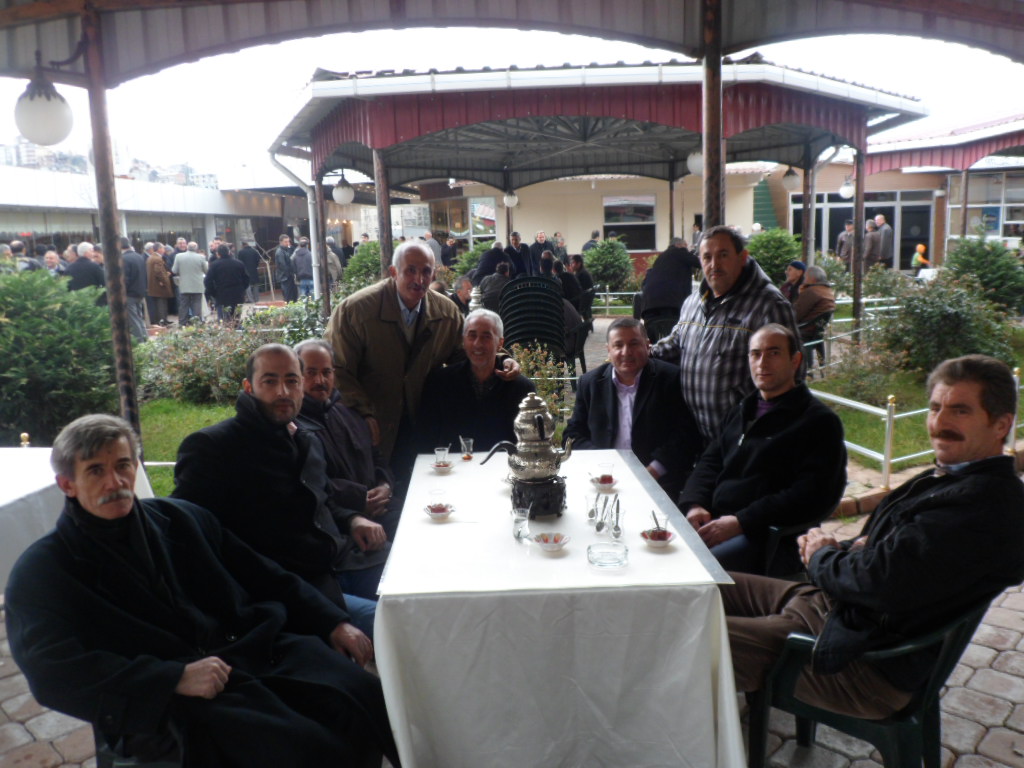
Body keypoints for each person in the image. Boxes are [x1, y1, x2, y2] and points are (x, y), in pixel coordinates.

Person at [5, 414, 399, 767]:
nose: (115, 482)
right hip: (173, 697)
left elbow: (265, 575)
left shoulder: (181, 519)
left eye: (123, 465)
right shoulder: (43, 572)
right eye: (95, 471)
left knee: (364, 695)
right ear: (67, 484)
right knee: (300, 747)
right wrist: (170, 678)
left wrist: (331, 622)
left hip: (253, 648)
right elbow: (52, 671)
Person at [724, 354, 1024, 719]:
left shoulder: (983, 506)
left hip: (862, 665)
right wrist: (845, 550)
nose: (939, 423)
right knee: (704, 588)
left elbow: (877, 581)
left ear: (1001, 425)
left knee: (692, 636)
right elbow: (885, 562)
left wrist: (821, 557)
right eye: (934, 408)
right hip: (840, 613)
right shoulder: (955, 477)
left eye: (960, 411)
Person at [173, 344, 381, 632]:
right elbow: (198, 538)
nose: (283, 391)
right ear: (249, 387)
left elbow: (320, 499)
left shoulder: (304, 439)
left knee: (420, 585)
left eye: (291, 381)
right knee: (398, 619)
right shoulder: (213, 447)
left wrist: (353, 519)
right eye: (270, 381)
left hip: (341, 562)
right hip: (288, 591)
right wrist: (324, 618)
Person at [680, 324, 846, 573]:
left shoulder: (818, 422)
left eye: (774, 353)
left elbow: (813, 494)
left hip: (767, 537)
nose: (762, 363)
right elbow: (710, 461)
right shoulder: (741, 411)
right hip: (715, 519)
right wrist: (695, 503)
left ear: (795, 361)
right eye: (755, 354)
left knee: (690, 570)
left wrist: (741, 522)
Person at [651, 225, 800, 446]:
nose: (714, 264)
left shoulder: (769, 305)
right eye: (707, 257)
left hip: (746, 441)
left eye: (723, 255)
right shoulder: (693, 302)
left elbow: (793, 374)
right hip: (699, 439)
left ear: (742, 257)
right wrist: (641, 352)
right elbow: (677, 342)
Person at [295, 339, 396, 583]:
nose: (320, 380)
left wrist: (385, 486)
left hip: (382, 509)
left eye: (326, 372)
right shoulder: (294, 427)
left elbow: (376, 458)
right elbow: (313, 487)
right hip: (343, 527)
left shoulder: (348, 412)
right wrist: (359, 501)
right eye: (311, 373)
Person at [564, 317, 699, 500]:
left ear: (647, 345)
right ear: (609, 350)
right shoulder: (590, 383)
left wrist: (653, 471)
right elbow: (572, 434)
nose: (626, 352)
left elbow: (685, 435)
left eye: (634, 344)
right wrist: (602, 462)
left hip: (657, 480)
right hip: (603, 479)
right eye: (618, 345)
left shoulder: (670, 379)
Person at [418, 309, 535, 453]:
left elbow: (530, 445)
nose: (478, 344)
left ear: (500, 343)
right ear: (463, 340)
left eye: (486, 337)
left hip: (503, 466)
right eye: (472, 336)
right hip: (451, 466)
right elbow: (425, 440)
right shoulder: (440, 383)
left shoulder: (522, 389)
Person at [640, 237, 700, 334]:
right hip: (670, 306)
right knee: (676, 337)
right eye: (685, 246)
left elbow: (645, 282)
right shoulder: (679, 252)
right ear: (678, 245)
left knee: (654, 339)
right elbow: (702, 263)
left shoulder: (661, 258)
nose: (687, 250)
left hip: (649, 308)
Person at [794, 265, 836, 367]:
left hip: (805, 331)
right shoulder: (828, 291)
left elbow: (796, 314)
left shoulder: (812, 291)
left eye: (805, 277)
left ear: (812, 278)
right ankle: (818, 366)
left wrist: (801, 294)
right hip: (817, 332)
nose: (804, 280)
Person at [205, 243, 249, 322]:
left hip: (221, 295)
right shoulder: (239, 263)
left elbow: (208, 281)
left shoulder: (214, 265)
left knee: (223, 320)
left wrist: (213, 293)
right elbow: (246, 279)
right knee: (236, 318)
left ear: (218, 254)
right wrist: (242, 289)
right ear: (229, 252)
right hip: (238, 295)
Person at [119, 237, 148, 343]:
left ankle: (140, 343)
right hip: (140, 292)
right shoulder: (139, 256)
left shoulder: (123, 259)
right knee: (139, 318)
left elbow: (125, 279)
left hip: (129, 294)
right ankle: (145, 339)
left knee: (133, 320)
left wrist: (121, 293)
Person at [172, 241, 208, 325]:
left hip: (184, 284)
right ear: (196, 249)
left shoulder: (179, 256)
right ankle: (196, 322)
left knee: (184, 304)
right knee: (197, 303)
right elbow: (206, 271)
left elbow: (174, 270)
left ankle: (182, 322)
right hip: (197, 285)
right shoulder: (201, 257)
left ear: (187, 247)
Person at [145, 242, 174, 326]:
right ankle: (162, 321)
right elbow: (158, 272)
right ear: (159, 249)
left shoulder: (151, 257)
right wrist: (165, 280)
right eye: (163, 248)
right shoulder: (157, 259)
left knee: (160, 303)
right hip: (159, 286)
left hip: (154, 285)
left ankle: (164, 320)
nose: (164, 249)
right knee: (161, 304)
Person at [274, 234, 297, 302]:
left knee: (293, 295)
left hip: (288, 277)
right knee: (288, 296)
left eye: (288, 241)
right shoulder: (280, 252)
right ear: (281, 242)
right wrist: (290, 273)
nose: (287, 243)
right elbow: (283, 265)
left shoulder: (286, 250)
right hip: (285, 277)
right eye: (285, 242)